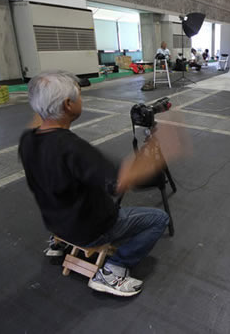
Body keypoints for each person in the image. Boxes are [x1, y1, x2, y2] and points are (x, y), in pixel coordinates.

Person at [19, 71, 186, 297]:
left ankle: (58, 244)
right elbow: (118, 183)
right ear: (68, 104)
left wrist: (45, 98)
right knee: (159, 219)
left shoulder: (28, 140)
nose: (81, 99)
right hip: (91, 230)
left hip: (55, 223)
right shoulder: (74, 149)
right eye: (79, 96)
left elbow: (41, 119)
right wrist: (162, 148)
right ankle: (114, 270)